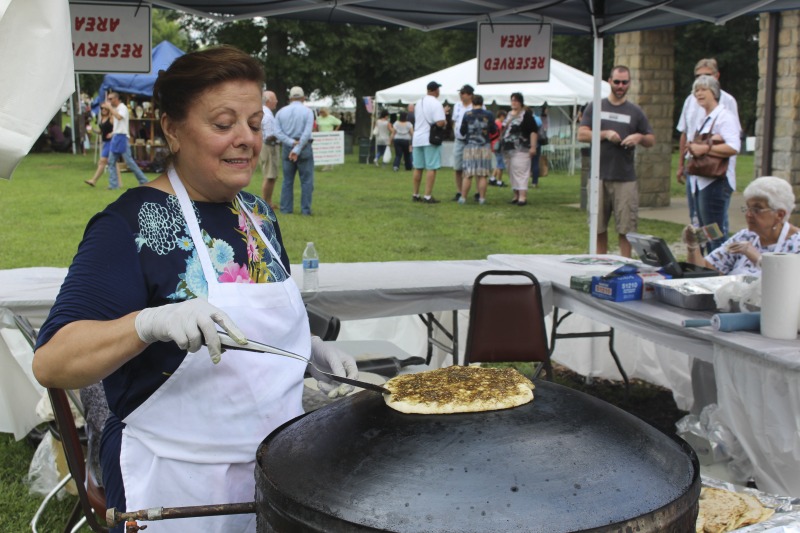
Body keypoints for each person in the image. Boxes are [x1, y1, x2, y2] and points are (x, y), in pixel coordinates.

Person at [31, 46, 358, 533]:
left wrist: (305, 349)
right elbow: (52, 361)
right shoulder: (130, 223)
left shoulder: (258, 215)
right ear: (172, 128)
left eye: (254, 122)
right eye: (223, 124)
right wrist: (147, 323)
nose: (245, 139)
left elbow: (253, 326)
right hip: (175, 485)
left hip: (278, 467)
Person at [578, 65, 655, 257]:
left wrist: (638, 137)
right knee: (598, 226)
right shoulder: (596, 106)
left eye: (624, 82)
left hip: (625, 177)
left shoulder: (635, 111)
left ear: (629, 84)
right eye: (617, 82)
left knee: (626, 228)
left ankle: (625, 265)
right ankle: (600, 263)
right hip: (599, 176)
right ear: (610, 81)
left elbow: (650, 139)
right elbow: (581, 134)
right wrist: (605, 134)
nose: (620, 86)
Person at [683, 176, 799, 275]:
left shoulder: (796, 244)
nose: (748, 214)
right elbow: (705, 270)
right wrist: (693, 247)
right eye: (747, 208)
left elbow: (791, 285)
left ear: (779, 214)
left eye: (756, 209)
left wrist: (759, 259)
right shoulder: (745, 236)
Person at [676, 58, 740, 226]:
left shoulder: (725, 111)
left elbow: (733, 145)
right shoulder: (697, 107)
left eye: (704, 88)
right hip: (697, 173)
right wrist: (683, 164)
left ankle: (717, 252)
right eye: (697, 88)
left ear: (714, 90)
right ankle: (703, 253)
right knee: (698, 224)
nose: (699, 93)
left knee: (714, 229)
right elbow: (686, 133)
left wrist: (704, 148)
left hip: (715, 176)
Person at [275, 86, 315, 215]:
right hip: (304, 147)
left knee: (287, 180)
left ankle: (286, 209)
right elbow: (307, 132)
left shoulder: (281, 112)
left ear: (290, 98)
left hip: (287, 147)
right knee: (307, 181)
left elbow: (277, 132)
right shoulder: (308, 112)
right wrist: (297, 148)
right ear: (303, 98)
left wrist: (291, 143)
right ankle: (305, 210)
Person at [103, 91, 150, 190]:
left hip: (122, 138)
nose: (109, 101)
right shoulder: (117, 109)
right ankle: (113, 185)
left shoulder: (123, 108)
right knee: (111, 162)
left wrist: (110, 108)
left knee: (129, 162)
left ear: (116, 99)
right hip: (116, 136)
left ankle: (144, 180)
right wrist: (112, 133)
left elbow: (120, 118)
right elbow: (119, 124)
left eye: (110, 99)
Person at [499, 92, 538, 206]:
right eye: (512, 100)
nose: (514, 102)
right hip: (507, 148)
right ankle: (515, 194)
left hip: (521, 148)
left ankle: (522, 196)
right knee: (511, 171)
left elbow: (533, 131)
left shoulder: (526, 115)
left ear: (521, 102)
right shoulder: (509, 114)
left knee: (520, 171)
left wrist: (533, 146)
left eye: (516, 100)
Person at [411, 81, 446, 203]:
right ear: (436, 90)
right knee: (431, 167)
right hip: (429, 138)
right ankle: (427, 196)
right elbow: (440, 122)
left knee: (418, 167)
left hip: (417, 138)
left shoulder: (418, 103)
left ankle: (415, 194)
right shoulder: (436, 103)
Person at [458, 94, 496, 205]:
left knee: (468, 174)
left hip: (470, 146)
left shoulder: (467, 114)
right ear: (482, 103)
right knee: (483, 174)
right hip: (484, 146)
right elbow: (493, 130)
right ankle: (482, 199)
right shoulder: (489, 114)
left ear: (472, 102)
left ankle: (463, 198)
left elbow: (462, 131)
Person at [451, 84, 474, 201]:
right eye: (460, 93)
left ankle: (469, 192)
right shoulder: (457, 105)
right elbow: (454, 121)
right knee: (458, 167)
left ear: (470, 95)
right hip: (459, 140)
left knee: (470, 168)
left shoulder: (476, 106)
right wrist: (455, 132)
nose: (461, 95)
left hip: (471, 141)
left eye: (463, 93)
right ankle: (459, 191)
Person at [85, 106, 117, 187]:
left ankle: (94, 180)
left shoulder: (111, 118)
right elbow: (100, 132)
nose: (103, 110)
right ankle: (117, 183)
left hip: (110, 142)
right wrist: (93, 129)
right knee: (112, 163)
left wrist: (112, 134)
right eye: (102, 108)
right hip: (105, 142)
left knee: (102, 161)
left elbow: (116, 128)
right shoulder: (102, 119)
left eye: (105, 109)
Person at [259, 90, 280, 209]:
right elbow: (269, 135)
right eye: (274, 99)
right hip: (269, 146)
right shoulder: (267, 115)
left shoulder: (265, 113)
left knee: (271, 175)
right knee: (269, 175)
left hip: (267, 146)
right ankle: (265, 203)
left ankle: (269, 202)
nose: (276, 101)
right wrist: (281, 135)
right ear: (268, 101)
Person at [315, 107, 342, 171]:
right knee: (322, 151)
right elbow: (316, 125)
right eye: (320, 112)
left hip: (329, 136)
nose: (321, 114)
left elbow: (339, 123)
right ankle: (327, 164)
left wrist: (335, 130)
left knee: (329, 150)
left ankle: (328, 165)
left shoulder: (331, 118)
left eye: (323, 112)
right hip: (321, 136)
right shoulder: (318, 118)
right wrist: (316, 132)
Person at [488, 109, 507, 187]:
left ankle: (492, 178)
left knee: (498, 162)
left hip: (493, 144)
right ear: (501, 116)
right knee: (501, 164)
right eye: (505, 117)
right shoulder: (499, 124)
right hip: (498, 145)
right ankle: (499, 181)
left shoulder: (494, 123)